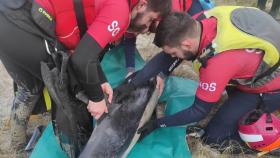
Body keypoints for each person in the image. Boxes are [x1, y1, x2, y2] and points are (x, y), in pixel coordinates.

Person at [0, 0, 171, 156]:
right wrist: (96, 98)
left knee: (31, 87)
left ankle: (16, 146)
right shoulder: (120, 11)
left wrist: (101, 80)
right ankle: (73, 151)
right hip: (24, 23)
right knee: (66, 88)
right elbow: (81, 59)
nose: (146, 27)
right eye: (150, 20)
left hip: (9, 15)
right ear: (142, 4)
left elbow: (84, 47)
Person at [134, 6, 280, 153]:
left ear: (186, 44)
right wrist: (134, 82)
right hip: (253, 65)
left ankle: (273, 144)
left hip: (269, 89)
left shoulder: (216, 65)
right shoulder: (198, 22)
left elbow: (198, 111)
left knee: (213, 140)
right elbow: (166, 57)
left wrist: (158, 123)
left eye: (174, 53)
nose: (173, 57)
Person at [122, 0, 214, 78]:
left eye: (140, 32)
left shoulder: (170, 13)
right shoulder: (133, 16)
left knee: (196, 46)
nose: (141, 33)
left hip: (191, 4)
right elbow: (129, 40)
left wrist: (163, 74)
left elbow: (177, 48)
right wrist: (130, 70)